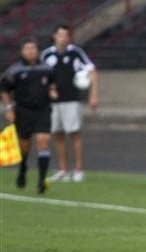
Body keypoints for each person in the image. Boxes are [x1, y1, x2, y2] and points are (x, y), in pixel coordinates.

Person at [41, 25, 98, 183]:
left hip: (71, 99)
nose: (63, 38)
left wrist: (93, 95)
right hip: (53, 103)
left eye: (66, 35)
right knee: (58, 134)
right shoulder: (47, 54)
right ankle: (63, 170)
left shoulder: (75, 52)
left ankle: (79, 170)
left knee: (74, 133)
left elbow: (92, 70)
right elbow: (42, 76)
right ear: (54, 36)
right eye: (60, 35)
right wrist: (49, 90)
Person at [1, 37, 56, 193]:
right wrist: (9, 109)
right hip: (23, 111)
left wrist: (53, 90)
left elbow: (52, 82)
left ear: (37, 50)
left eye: (33, 48)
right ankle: (23, 167)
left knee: (42, 140)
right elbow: (4, 89)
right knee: (25, 145)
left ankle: (41, 181)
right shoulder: (15, 69)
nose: (31, 51)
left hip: (43, 110)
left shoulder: (47, 68)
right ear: (22, 51)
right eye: (28, 48)